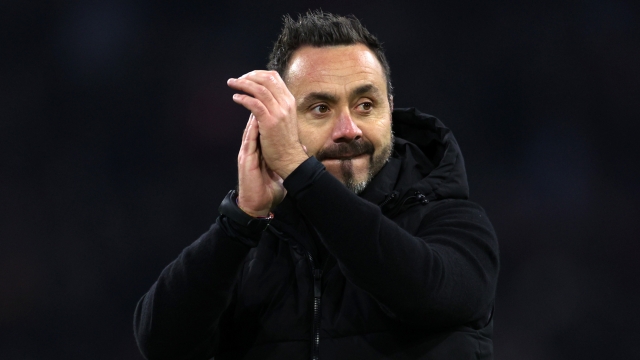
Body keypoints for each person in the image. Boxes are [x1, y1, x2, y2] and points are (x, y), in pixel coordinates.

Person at [134, 11, 499, 360]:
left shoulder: (455, 223)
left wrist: (298, 169)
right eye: (321, 108)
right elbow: (162, 344)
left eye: (365, 105)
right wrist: (240, 222)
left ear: (390, 108)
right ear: (277, 124)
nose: (348, 129)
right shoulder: (249, 247)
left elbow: (421, 293)